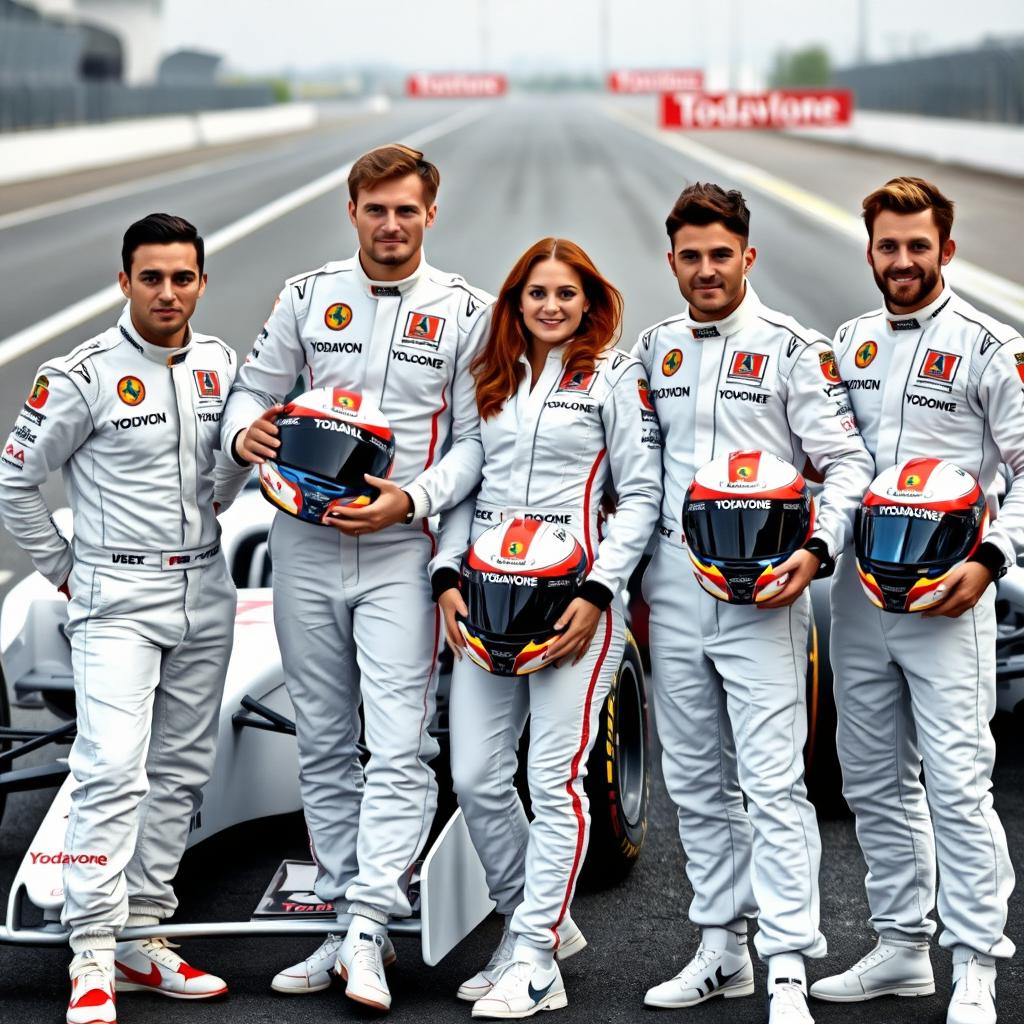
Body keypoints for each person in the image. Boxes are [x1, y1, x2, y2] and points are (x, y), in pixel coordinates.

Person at [222, 144, 493, 1012]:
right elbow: (247, 392)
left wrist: (412, 499)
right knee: (325, 741)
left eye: (406, 210)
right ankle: (339, 919)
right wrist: (242, 438)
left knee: (400, 743)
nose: (390, 225)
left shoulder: (467, 312)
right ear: (353, 212)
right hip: (301, 543)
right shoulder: (307, 295)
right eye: (375, 210)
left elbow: (480, 444)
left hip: (399, 551)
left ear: (430, 215)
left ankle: (372, 925)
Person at [632, 183, 874, 1024]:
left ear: (748, 256)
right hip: (671, 579)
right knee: (693, 781)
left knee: (772, 783)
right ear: (672, 262)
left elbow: (846, 464)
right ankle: (721, 949)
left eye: (720, 255)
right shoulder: (653, 348)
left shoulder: (794, 349)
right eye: (690, 258)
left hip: (765, 591)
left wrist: (815, 551)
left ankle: (785, 965)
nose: (705, 271)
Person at [0, 214, 249, 1024]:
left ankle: (143, 936)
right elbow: (14, 483)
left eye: (183, 277)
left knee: (179, 771)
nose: (168, 293)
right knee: (111, 768)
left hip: (205, 589)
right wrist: (67, 570)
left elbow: (225, 478)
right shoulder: (79, 375)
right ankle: (92, 956)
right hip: (117, 599)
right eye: (152, 277)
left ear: (202, 283)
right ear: (124, 282)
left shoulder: (219, 363)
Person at [809, 177, 1022, 1024]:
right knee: (871, 779)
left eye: (917, 246)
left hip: (949, 596)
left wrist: (993, 560)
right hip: (861, 595)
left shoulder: (990, 346)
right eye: (888, 246)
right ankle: (902, 948)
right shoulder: (848, 343)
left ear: (947, 250)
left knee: (959, 782)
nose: (902, 261)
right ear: (869, 251)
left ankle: (976, 961)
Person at [431, 238, 662, 1019]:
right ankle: (538, 921)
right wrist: (444, 574)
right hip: (487, 599)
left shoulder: (613, 376)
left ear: (589, 301)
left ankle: (533, 957)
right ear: (516, 301)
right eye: (538, 294)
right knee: (475, 777)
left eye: (567, 294)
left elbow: (640, 498)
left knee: (552, 779)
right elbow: (468, 479)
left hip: (574, 606)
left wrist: (600, 593)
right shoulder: (490, 375)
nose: (552, 307)